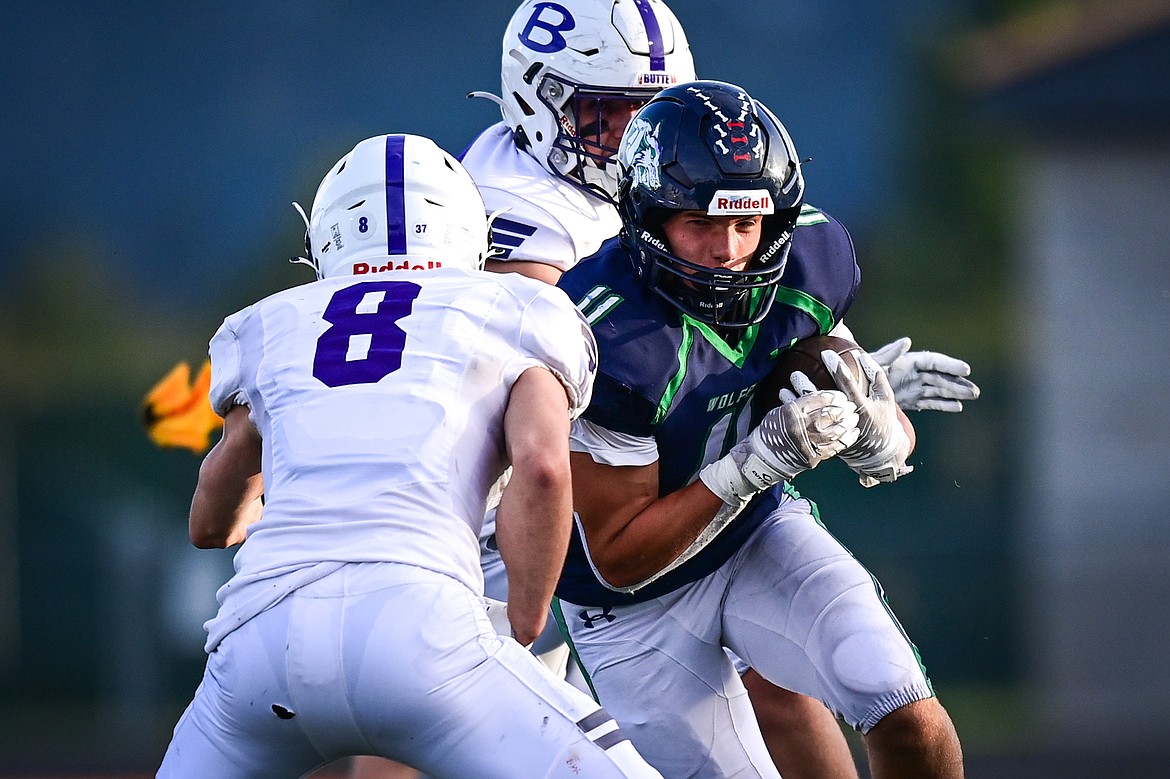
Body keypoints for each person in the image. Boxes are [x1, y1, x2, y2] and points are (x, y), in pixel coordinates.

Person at [156, 132, 664, 779]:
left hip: (260, 641)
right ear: (468, 235)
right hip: (420, 622)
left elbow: (211, 520)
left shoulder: (272, 323)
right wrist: (524, 626)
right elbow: (541, 465)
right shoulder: (518, 306)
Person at [550, 80, 966, 778]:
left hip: (752, 538)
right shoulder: (609, 334)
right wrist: (753, 463)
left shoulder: (808, 260)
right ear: (646, 218)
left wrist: (876, 434)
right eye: (703, 225)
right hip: (630, 607)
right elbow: (620, 555)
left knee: (910, 718)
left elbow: (872, 411)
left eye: (747, 224)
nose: (729, 250)